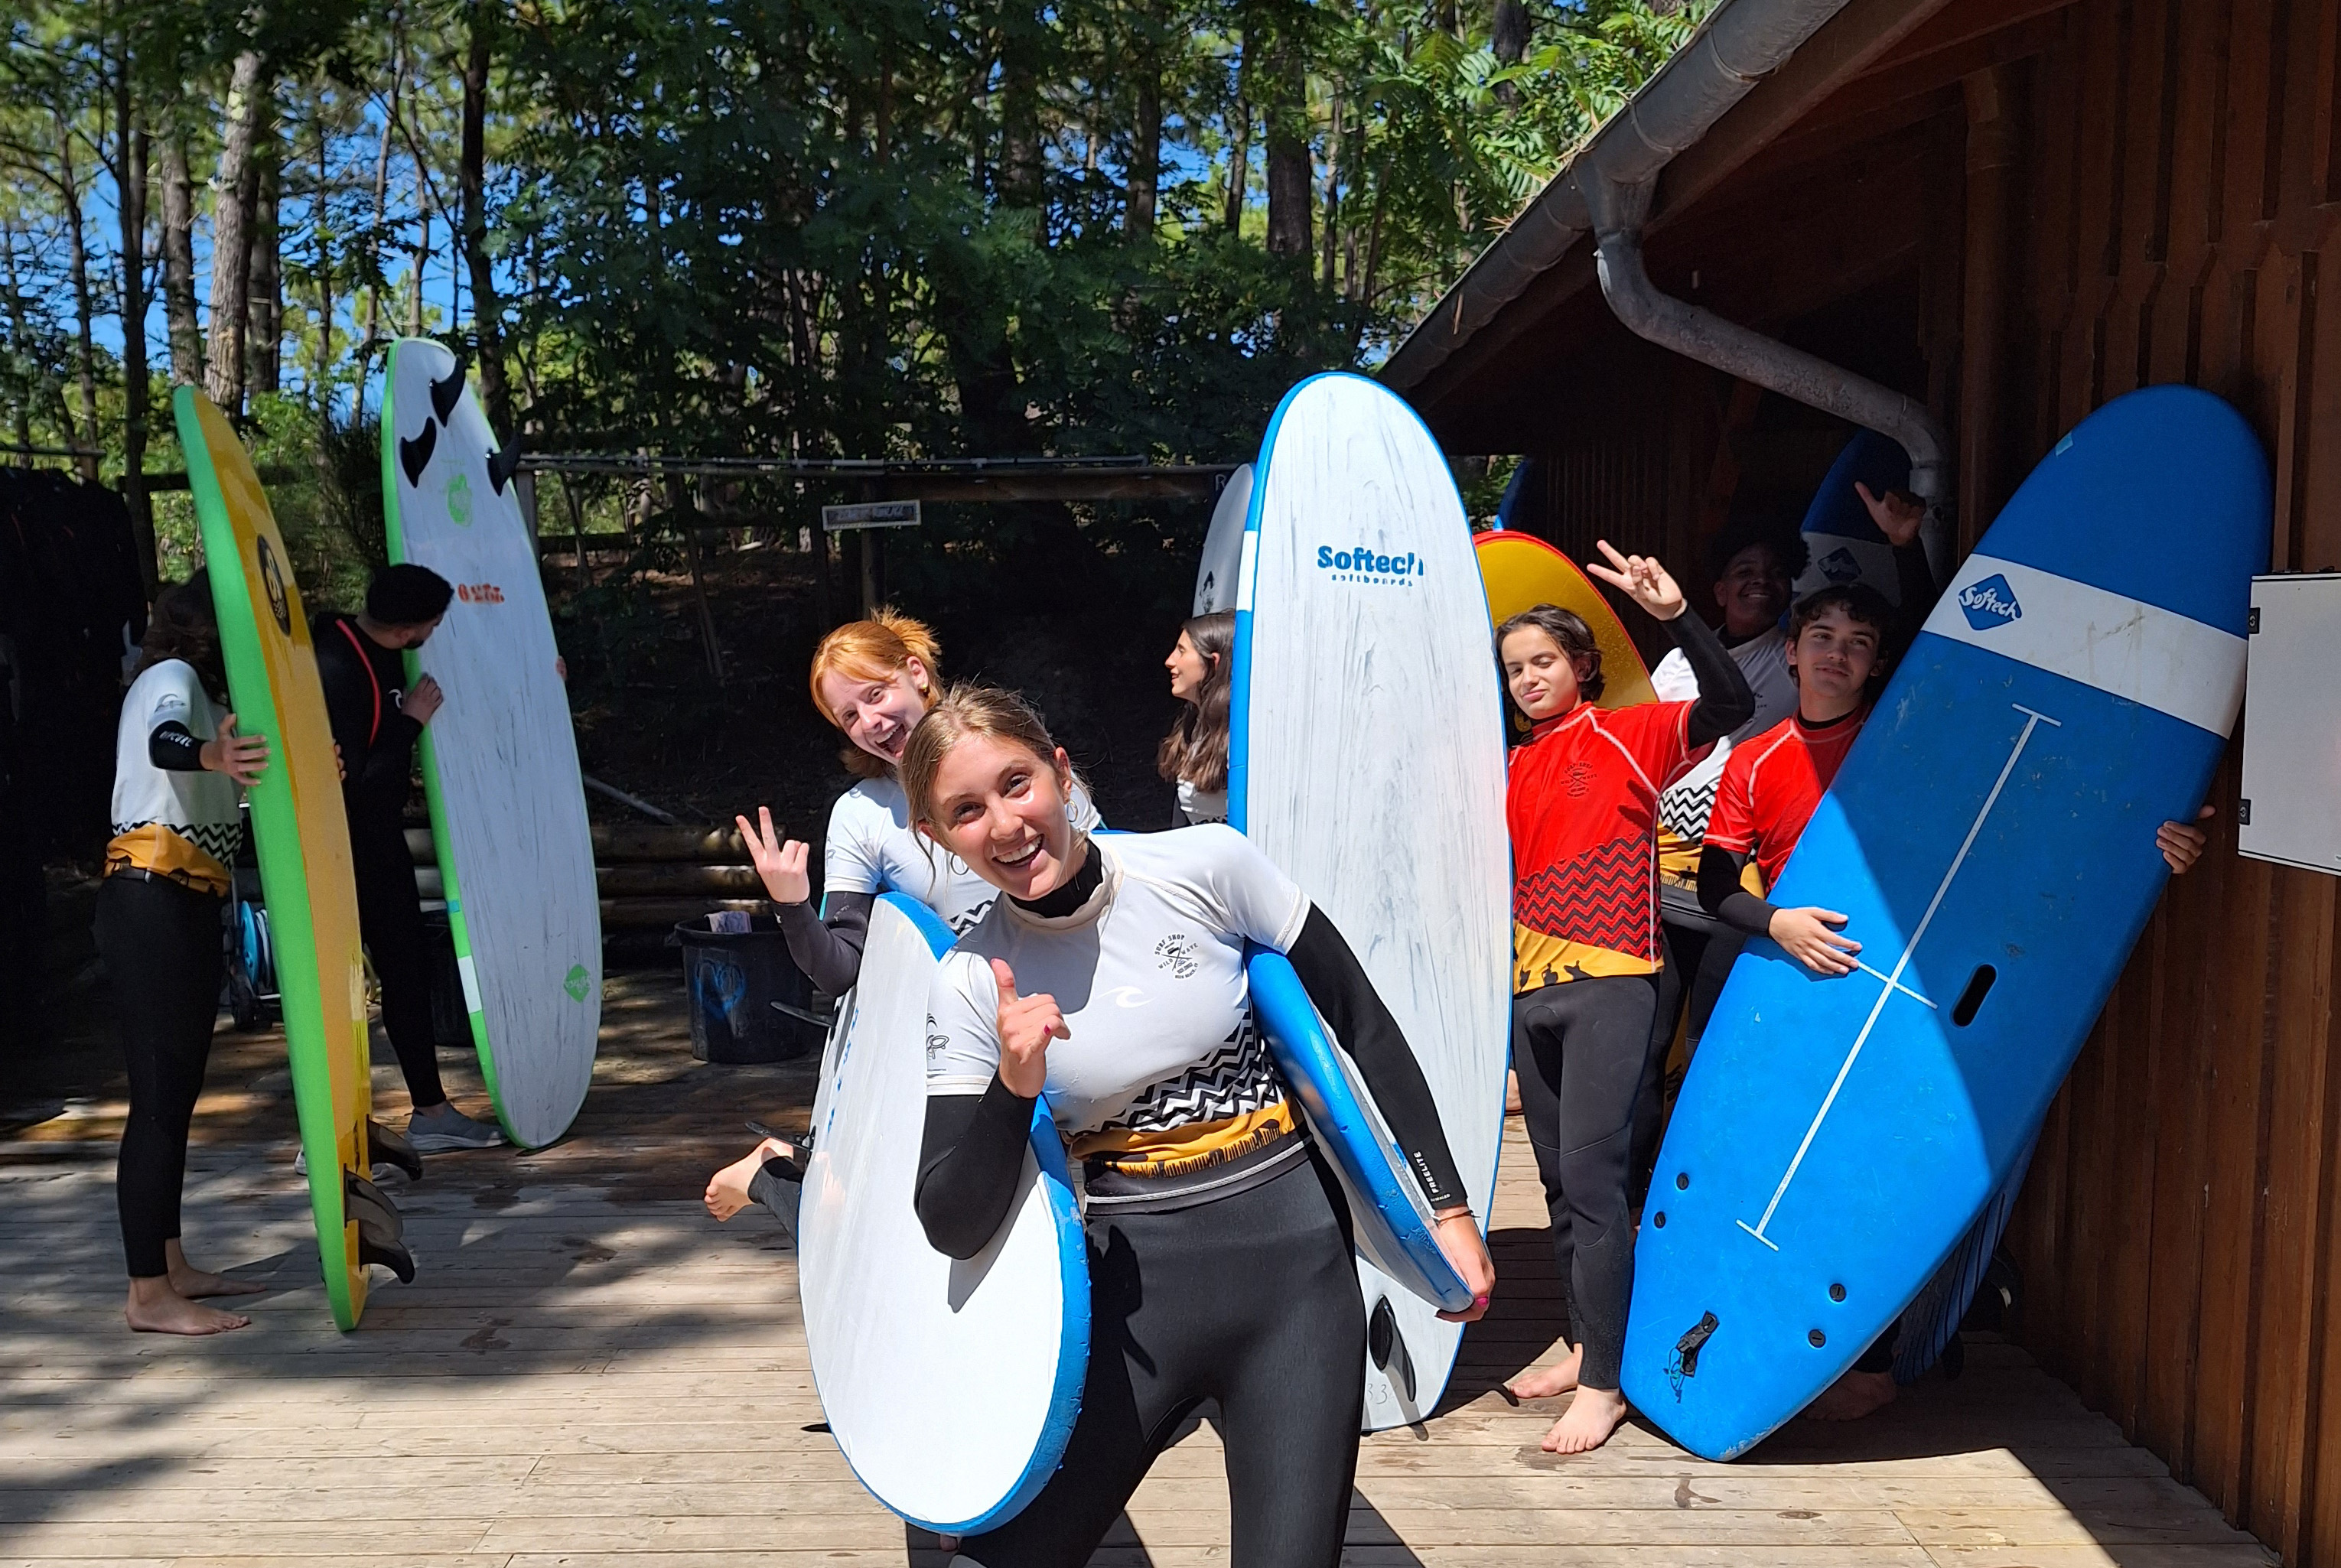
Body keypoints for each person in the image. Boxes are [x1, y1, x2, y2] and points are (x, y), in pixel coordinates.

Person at [905, 684, 1493, 1566]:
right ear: (938, 837)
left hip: (1296, 1286)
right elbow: (950, 1216)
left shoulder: (1205, 866)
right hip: (1131, 1309)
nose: (1004, 823)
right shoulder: (970, 980)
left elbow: (1361, 1024)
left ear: (1061, 773)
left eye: (1016, 783)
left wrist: (1444, 1209)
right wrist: (1013, 1085)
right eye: (966, 810)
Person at [1696, 580, 2214, 1420]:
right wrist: (1778, 920)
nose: (1836, 653)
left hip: (1915, 993)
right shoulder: (1754, 759)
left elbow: (2038, 804)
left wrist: (2161, 839)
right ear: (1789, 653)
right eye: (1820, 636)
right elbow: (1716, 882)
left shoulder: (1910, 740)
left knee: (1876, 1166)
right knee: (1771, 1160)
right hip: (1798, 986)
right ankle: (1756, 1336)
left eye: (1858, 642)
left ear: (1879, 664)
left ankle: (1874, 1356)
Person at [705, 610, 1100, 1221]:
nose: (871, 722)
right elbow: (840, 971)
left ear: (915, 673)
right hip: (958, 1036)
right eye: (849, 716)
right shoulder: (862, 816)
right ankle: (775, 1169)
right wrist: (791, 904)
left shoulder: (1004, 756)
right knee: (886, 1217)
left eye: (876, 694)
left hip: (1063, 1000)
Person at [1498, 540, 1756, 1454]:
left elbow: (1734, 705)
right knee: (1561, 1185)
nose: (1529, 679)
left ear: (1581, 668)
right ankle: (1581, 1342)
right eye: (1515, 669)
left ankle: (1607, 1385)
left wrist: (1676, 611)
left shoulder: (1630, 732)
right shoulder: (1514, 763)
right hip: (1531, 990)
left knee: (1602, 1186)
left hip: (1612, 983)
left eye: (1543, 663)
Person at [96, 574, 271, 1333]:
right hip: (151, 896)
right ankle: (146, 1295)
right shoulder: (170, 680)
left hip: (184, 899)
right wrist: (209, 753)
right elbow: (169, 747)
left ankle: (168, 1263)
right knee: (159, 1101)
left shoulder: (200, 694)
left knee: (178, 1095)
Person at [314, 563, 504, 1152]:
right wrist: (409, 724)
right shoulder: (338, 667)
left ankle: (429, 1110)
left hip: (377, 836)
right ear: (406, 631)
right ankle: (324, 1133)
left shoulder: (372, 645)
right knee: (344, 983)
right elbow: (357, 781)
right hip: (343, 845)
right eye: (432, 625)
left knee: (406, 970)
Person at [1158, 610, 1233, 826]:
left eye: (1181, 651)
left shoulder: (1243, 736)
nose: (1170, 661)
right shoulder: (1193, 724)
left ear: (1213, 662)